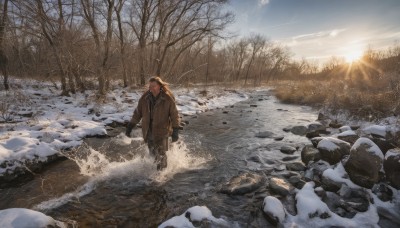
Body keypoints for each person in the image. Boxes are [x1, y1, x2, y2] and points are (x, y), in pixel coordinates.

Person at [126, 76, 180, 170]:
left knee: (161, 154)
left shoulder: (167, 98)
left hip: (162, 131)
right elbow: (138, 113)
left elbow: (174, 114)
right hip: (148, 130)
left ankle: (162, 175)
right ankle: (156, 171)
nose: (151, 88)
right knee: (153, 153)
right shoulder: (145, 98)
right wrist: (130, 125)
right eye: (150, 86)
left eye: (153, 86)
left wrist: (176, 129)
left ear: (159, 86)